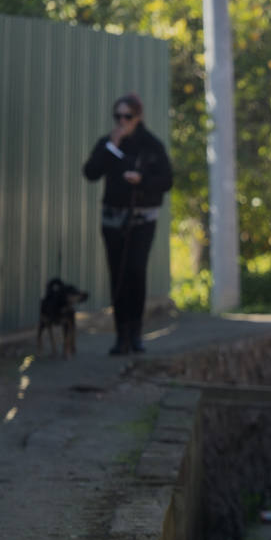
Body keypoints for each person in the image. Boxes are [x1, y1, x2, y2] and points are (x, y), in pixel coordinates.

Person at [82, 93, 173, 355]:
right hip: (113, 219)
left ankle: (135, 332)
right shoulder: (109, 144)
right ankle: (121, 335)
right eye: (118, 116)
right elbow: (90, 172)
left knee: (136, 270)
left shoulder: (151, 145)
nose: (122, 121)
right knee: (118, 274)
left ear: (138, 117)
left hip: (142, 219)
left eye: (127, 117)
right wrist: (112, 146)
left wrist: (142, 179)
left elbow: (166, 180)